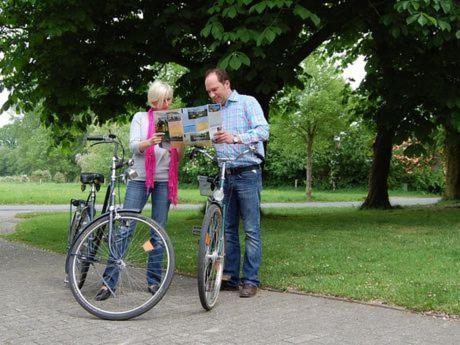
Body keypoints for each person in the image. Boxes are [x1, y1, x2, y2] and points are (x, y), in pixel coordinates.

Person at [95, 80, 180, 301]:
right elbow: (134, 147)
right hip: (140, 179)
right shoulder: (140, 118)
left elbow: (180, 148)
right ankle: (108, 282)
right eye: (164, 100)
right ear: (154, 101)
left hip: (164, 181)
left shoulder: (174, 120)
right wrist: (150, 142)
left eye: (170, 99)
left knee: (157, 234)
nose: (168, 103)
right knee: (125, 228)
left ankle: (153, 280)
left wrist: (180, 143)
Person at [204, 68, 269, 298]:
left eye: (215, 89)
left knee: (251, 229)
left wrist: (235, 137)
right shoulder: (213, 111)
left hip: (248, 172)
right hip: (225, 174)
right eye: (209, 91)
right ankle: (231, 277)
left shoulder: (247, 103)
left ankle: (251, 280)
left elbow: (264, 131)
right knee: (228, 230)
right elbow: (213, 140)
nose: (212, 95)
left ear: (227, 84)